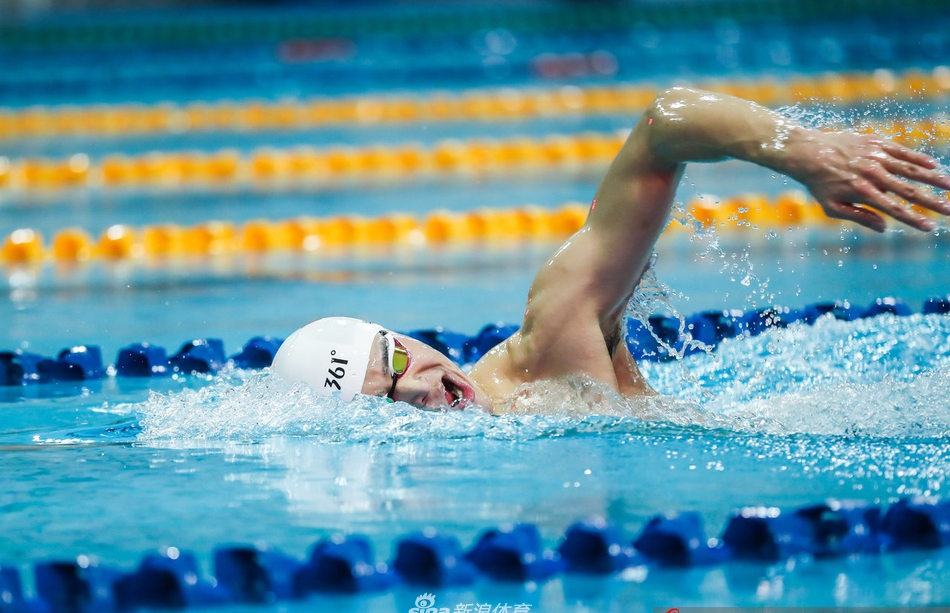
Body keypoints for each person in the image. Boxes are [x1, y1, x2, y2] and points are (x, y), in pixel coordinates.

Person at [272, 87, 950, 415]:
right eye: (388, 404)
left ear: (400, 335)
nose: (422, 384)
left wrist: (800, 151)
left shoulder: (548, 344)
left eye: (396, 360)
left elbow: (663, 124)